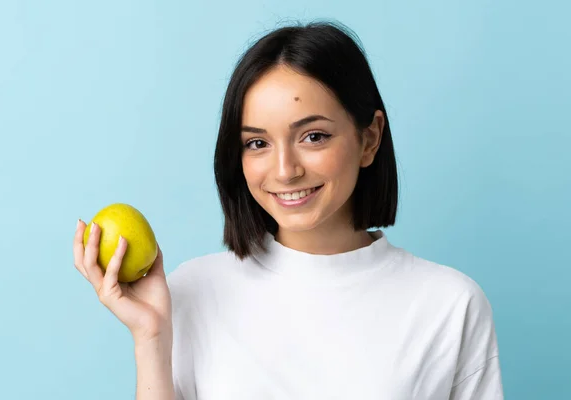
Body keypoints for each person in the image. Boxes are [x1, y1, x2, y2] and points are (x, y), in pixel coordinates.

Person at [73, 21, 504, 399]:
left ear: (369, 138)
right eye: (257, 143)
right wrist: (150, 337)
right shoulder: (192, 291)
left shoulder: (450, 305)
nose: (285, 170)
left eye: (313, 136)